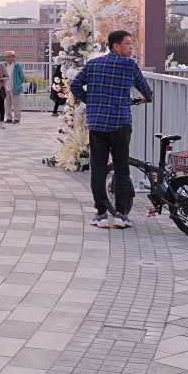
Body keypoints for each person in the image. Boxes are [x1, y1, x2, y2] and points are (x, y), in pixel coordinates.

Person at [69, 30, 153, 230]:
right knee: (121, 169)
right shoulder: (130, 66)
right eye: (128, 44)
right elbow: (146, 91)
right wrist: (145, 98)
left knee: (97, 170)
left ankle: (100, 213)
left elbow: (75, 85)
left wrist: (91, 100)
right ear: (116, 46)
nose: (131, 48)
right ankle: (121, 215)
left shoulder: (93, 64)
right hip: (120, 124)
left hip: (97, 124)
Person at [5, 50, 24, 124]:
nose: (8, 58)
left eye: (10, 56)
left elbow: (22, 77)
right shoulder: (5, 65)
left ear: (13, 57)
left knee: (16, 104)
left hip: (14, 88)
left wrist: (18, 84)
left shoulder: (17, 65)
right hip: (6, 87)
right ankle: (9, 118)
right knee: (7, 104)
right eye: (7, 57)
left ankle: (17, 118)